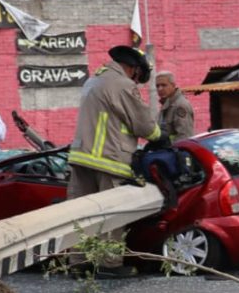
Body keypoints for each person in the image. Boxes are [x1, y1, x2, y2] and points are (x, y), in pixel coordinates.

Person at [67, 45, 163, 278]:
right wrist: (160, 136)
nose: (137, 80)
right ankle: (109, 264)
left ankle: (79, 262)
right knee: (112, 214)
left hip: (82, 157)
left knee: (82, 214)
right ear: (132, 68)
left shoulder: (94, 81)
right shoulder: (122, 84)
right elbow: (143, 124)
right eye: (138, 74)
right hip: (108, 159)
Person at [155, 70, 194, 143]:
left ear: (173, 85)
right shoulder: (167, 104)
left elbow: (184, 136)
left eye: (164, 85)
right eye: (157, 86)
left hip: (176, 149)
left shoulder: (180, 105)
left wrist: (167, 146)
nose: (160, 89)